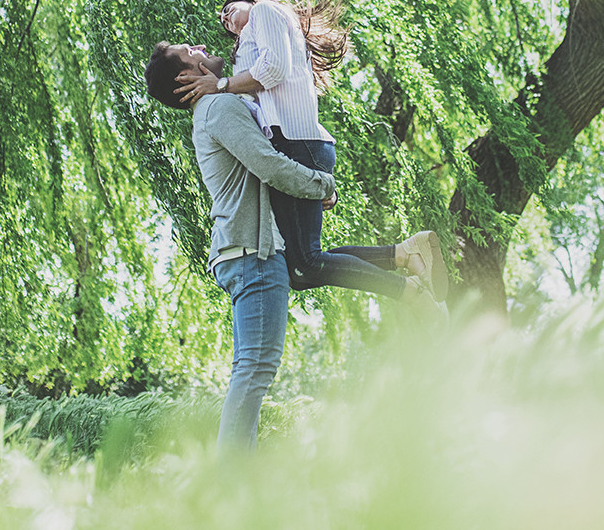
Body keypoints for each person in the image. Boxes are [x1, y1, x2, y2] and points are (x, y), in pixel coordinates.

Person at [144, 41, 441, 450]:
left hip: (249, 250)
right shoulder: (218, 108)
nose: (199, 46)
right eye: (188, 49)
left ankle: (403, 256)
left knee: (306, 268)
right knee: (253, 369)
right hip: (252, 252)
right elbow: (266, 163)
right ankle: (229, 482)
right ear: (185, 75)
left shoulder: (220, 105)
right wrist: (322, 184)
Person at [174, 0, 448, 304]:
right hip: (293, 147)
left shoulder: (265, 13)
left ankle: (409, 286)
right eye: (224, 23)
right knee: (300, 266)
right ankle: (403, 255)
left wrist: (221, 84)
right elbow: (254, 110)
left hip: (296, 143)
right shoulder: (254, 37)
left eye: (229, 10)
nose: (227, 21)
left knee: (305, 265)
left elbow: (274, 69)